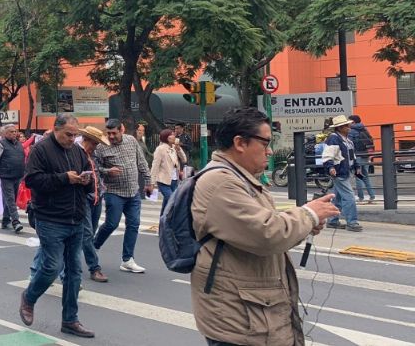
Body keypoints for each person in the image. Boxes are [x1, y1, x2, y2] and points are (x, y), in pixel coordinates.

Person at [190, 108, 340, 345]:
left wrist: (304, 224)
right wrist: (309, 214)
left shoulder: (240, 178)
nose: (269, 151)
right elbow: (266, 234)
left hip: (255, 309)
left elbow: (262, 226)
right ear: (240, 143)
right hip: (241, 319)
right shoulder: (221, 182)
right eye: (265, 143)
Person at [18, 113, 96, 339]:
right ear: (55, 129)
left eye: (75, 135)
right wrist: (64, 178)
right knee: (52, 267)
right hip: (50, 217)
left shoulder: (78, 151)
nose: (72, 139)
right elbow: (32, 180)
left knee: (74, 272)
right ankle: (29, 297)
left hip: (76, 217)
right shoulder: (40, 150)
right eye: (68, 135)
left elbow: (85, 178)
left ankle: (70, 320)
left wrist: (85, 180)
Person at [93, 118, 153, 275]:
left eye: (114, 133)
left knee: (133, 225)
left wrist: (148, 181)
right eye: (109, 133)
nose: (111, 136)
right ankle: (93, 248)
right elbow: (94, 167)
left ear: (122, 130)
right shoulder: (101, 147)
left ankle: (127, 260)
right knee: (111, 224)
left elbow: (141, 162)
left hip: (133, 191)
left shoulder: (131, 141)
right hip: (114, 192)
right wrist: (107, 171)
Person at [77, 126, 109, 283]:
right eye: (94, 143)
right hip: (83, 198)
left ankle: (72, 261)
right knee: (88, 234)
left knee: (89, 233)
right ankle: (94, 268)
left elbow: (99, 171)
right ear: (86, 140)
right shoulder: (75, 153)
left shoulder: (95, 155)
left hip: (97, 196)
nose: (95, 146)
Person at [323, 115, 363, 232]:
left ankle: (332, 220)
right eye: (346, 125)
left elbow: (351, 155)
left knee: (338, 198)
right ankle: (352, 222)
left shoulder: (344, 139)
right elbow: (328, 155)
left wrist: (356, 166)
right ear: (339, 128)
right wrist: (331, 167)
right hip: (340, 171)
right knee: (349, 197)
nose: (348, 127)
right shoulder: (336, 139)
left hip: (342, 170)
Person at [0, 124, 26, 234]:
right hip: (6, 177)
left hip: (18, 176)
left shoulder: (19, 144)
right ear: (5, 134)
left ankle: (5, 220)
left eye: (15, 131)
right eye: (11, 131)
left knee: (11, 199)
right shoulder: (0, 144)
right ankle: (16, 222)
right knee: (10, 199)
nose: (14, 133)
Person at [151, 129, 186, 217]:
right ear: (166, 137)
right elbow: (155, 166)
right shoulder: (160, 149)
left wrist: (178, 149)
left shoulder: (174, 147)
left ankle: (162, 222)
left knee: (166, 204)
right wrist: (151, 182)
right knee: (172, 201)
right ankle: (170, 222)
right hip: (163, 181)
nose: (174, 136)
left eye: (174, 134)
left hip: (174, 180)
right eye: (172, 135)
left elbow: (184, 159)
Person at [348, 115, 376, 204]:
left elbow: (350, 145)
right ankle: (372, 196)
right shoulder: (364, 128)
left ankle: (361, 198)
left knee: (358, 176)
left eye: (350, 121)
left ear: (353, 122)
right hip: (365, 155)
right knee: (365, 176)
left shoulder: (351, 131)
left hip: (358, 155)